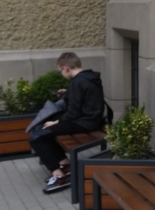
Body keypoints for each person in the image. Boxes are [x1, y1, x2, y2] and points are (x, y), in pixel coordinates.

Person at [28, 52, 105, 194]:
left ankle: (58, 176)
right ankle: (64, 164)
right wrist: (68, 92)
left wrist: (57, 122)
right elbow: (84, 98)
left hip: (84, 123)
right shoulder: (88, 77)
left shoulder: (78, 82)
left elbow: (73, 113)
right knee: (43, 130)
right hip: (91, 120)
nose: (61, 74)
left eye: (60, 72)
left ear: (65, 68)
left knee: (37, 136)